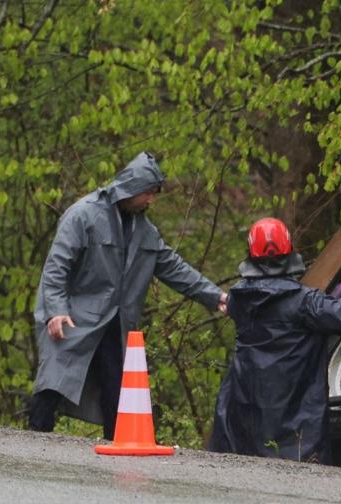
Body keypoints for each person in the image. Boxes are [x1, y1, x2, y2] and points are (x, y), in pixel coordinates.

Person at [29, 152, 228, 440]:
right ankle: (34, 440)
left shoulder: (145, 231)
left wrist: (216, 296)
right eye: (147, 193)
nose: (151, 200)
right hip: (72, 317)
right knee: (52, 383)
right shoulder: (83, 215)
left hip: (115, 323)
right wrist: (56, 310)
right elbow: (56, 267)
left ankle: (115, 452)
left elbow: (174, 268)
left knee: (115, 391)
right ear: (131, 189)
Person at [208, 217, 341, 462]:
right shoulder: (304, 303)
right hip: (295, 417)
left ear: (250, 252)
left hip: (243, 410)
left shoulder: (238, 300)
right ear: (289, 250)